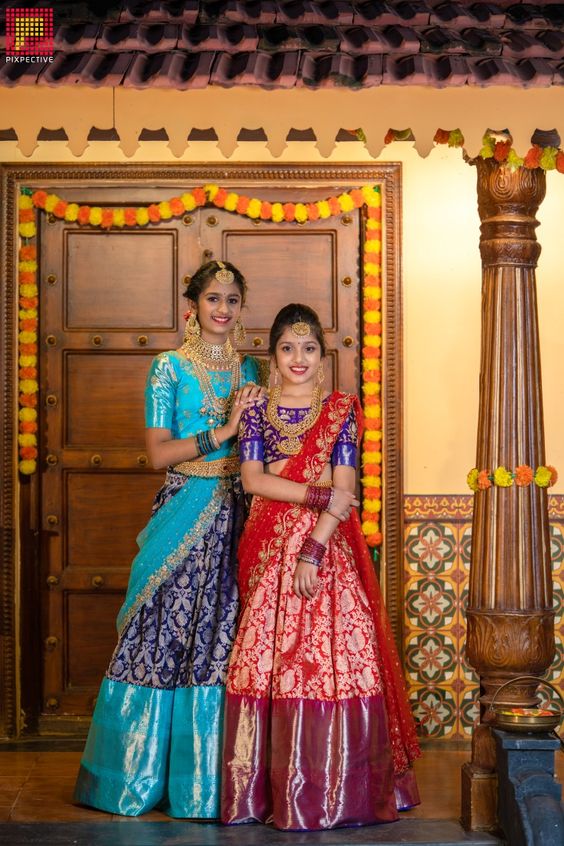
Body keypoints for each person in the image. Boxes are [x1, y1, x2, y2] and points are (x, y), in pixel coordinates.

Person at [74, 260, 264, 817]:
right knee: (163, 631)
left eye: (232, 300)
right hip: (184, 510)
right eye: (213, 299)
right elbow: (158, 453)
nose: (222, 309)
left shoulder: (252, 369)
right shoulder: (169, 367)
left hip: (239, 514)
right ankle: (134, 778)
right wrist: (223, 432)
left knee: (223, 637)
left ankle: (208, 785)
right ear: (193, 307)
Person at [221, 303, 421, 831]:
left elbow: (346, 489)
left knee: (339, 660)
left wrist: (313, 546)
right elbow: (253, 481)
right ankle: (271, 792)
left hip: (326, 551)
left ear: (323, 357)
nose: (299, 358)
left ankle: (342, 791)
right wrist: (317, 494)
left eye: (309, 348)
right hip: (270, 551)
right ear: (273, 357)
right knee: (269, 662)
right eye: (287, 348)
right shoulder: (257, 409)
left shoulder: (340, 410)